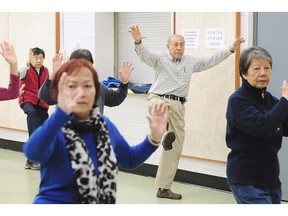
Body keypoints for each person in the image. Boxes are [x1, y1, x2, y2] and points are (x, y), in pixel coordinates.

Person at [23, 59, 169, 204]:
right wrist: (61, 112)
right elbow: (33, 152)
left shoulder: (104, 125)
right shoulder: (56, 126)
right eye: (73, 86)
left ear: (96, 92)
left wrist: (153, 139)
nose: (81, 92)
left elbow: (129, 159)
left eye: (87, 86)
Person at [129, 25, 245, 200]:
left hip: (178, 106)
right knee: (160, 107)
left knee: (174, 149)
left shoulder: (190, 62)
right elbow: (145, 55)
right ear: (168, 46)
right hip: (158, 98)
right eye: (175, 44)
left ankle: (163, 188)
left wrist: (229, 49)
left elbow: (209, 61)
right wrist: (138, 41)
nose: (179, 47)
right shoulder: (159, 59)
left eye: (182, 44)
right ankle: (165, 132)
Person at [225, 46, 288, 204]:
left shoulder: (270, 99)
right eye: (256, 68)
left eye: (267, 68)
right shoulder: (237, 100)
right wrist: (285, 101)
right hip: (247, 179)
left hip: (270, 177)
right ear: (244, 73)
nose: (263, 73)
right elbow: (262, 127)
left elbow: (285, 128)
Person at [38, 49, 132, 114]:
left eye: (86, 65)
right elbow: (45, 97)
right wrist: (53, 75)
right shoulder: (66, 86)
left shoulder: (98, 86)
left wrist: (124, 82)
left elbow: (115, 99)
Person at [18, 47, 49, 170]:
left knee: (45, 130)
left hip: (41, 103)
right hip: (27, 100)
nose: (39, 60)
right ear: (31, 58)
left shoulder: (46, 71)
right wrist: (27, 61)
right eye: (36, 58)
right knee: (32, 115)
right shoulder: (26, 69)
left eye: (41, 58)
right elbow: (20, 70)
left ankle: (31, 161)